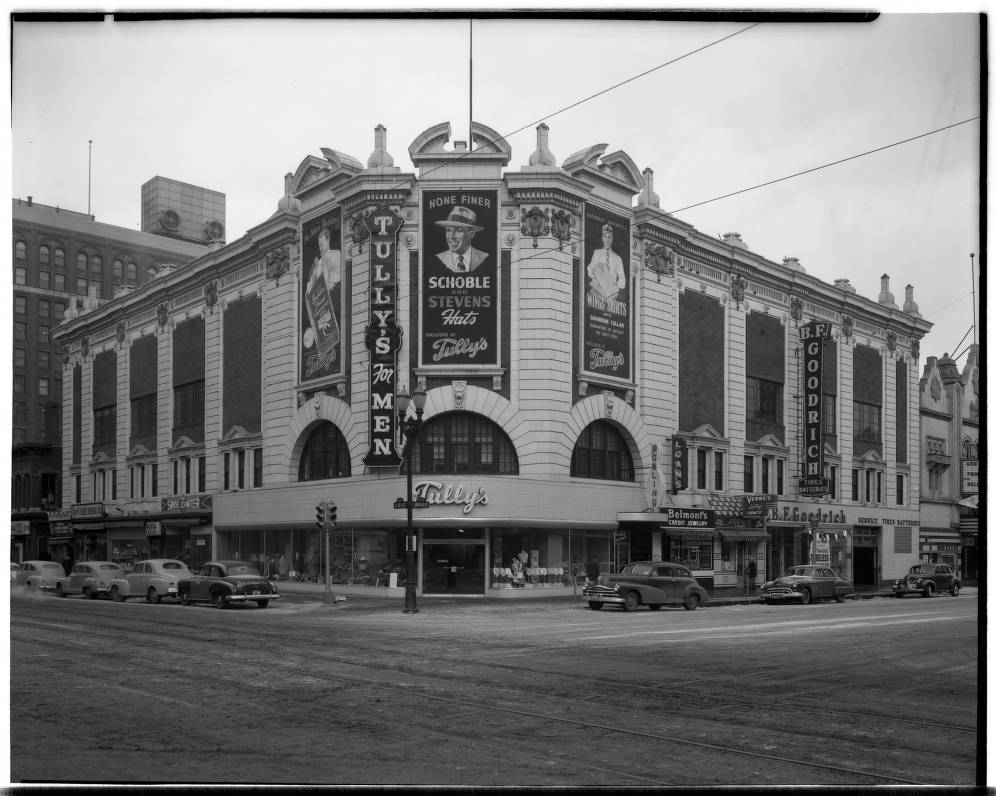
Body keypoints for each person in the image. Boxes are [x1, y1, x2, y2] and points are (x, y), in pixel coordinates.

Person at [434, 206, 489, 273]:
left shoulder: (484, 258)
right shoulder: (439, 259)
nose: (452, 236)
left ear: (471, 234)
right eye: (448, 230)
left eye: (458, 230)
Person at [586, 224, 626, 301]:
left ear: (612, 239)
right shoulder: (597, 253)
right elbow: (589, 269)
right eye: (605, 237)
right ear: (602, 238)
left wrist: (614, 286)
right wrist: (596, 276)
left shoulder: (617, 259)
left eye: (609, 237)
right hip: (597, 292)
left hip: (611, 295)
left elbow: (622, 279)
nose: (607, 240)